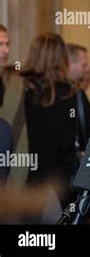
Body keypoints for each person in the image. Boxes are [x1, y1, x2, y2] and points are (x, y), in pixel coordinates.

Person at [21, 33, 90, 208]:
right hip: (63, 187)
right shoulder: (73, 93)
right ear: (63, 58)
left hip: (27, 185)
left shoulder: (21, 93)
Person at [0, 24, 29, 186]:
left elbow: (21, 139)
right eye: (0, 45)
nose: (5, 50)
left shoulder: (16, 86)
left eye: (7, 44)